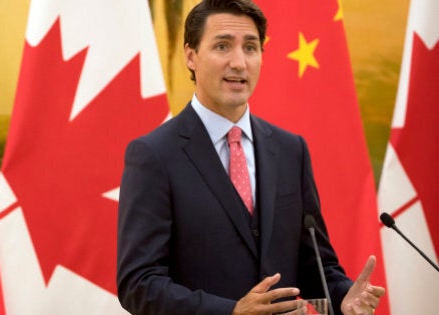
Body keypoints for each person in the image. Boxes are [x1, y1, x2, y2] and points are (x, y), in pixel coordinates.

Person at [116, 0, 385, 314]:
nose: (239, 63)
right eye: (222, 46)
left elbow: (316, 265)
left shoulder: (290, 150)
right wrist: (230, 312)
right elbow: (138, 283)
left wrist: (344, 296)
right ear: (191, 56)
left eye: (251, 47)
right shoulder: (154, 155)